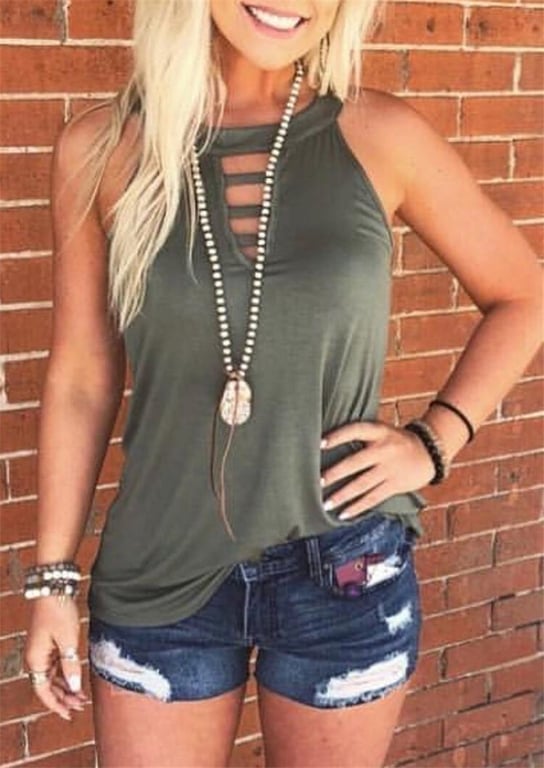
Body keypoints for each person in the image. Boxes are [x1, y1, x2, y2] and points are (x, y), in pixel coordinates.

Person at [22, 0, 543, 766]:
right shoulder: (101, 148)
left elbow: (525, 295)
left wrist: (435, 440)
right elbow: (80, 377)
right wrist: (52, 579)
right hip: (160, 569)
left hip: (343, 566)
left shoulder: (378, 135)